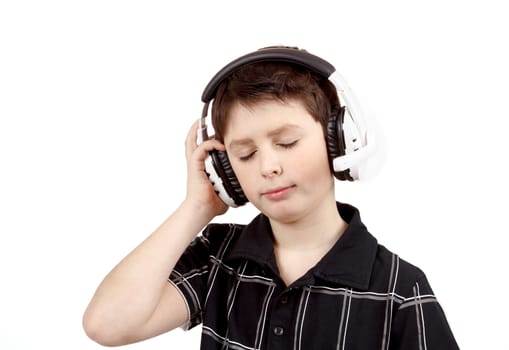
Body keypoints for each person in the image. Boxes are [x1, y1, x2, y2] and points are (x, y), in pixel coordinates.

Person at [83, 46, 459, 349]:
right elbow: (108, 325)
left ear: (339, 140)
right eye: (245, 155)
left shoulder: (398, 289)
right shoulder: (219, 259)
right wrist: (196, 208)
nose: (268, 167)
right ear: (225, 171)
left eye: (287, 143)